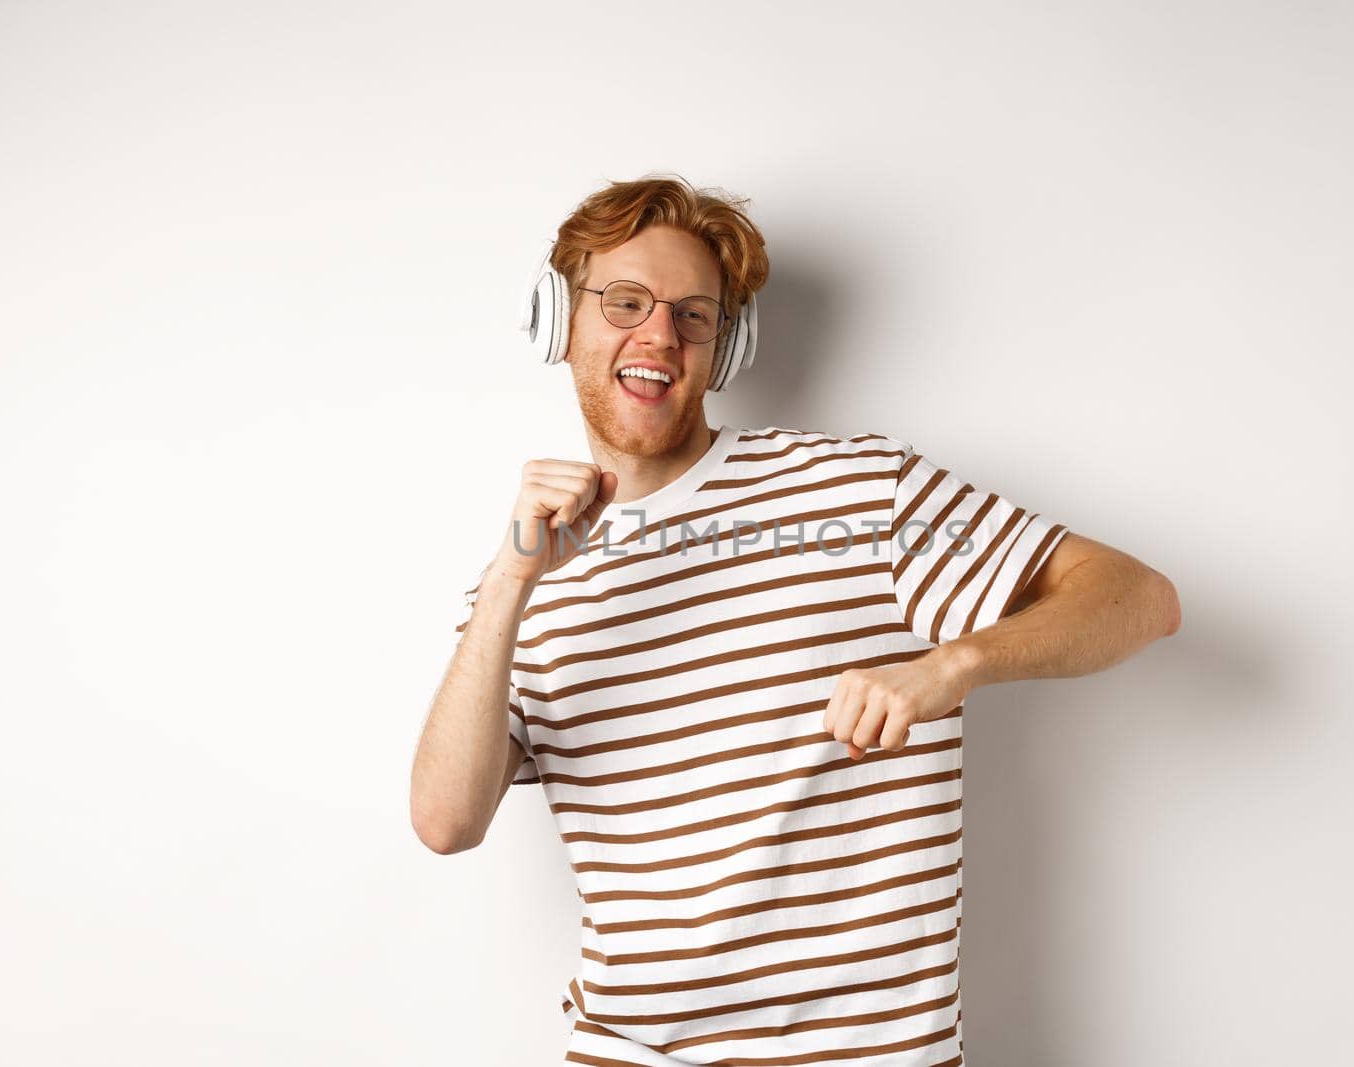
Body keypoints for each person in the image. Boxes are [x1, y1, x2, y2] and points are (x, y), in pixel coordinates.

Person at [410, 174, 1181, 1065]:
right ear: (557, 320)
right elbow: (445, 820)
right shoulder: (521, 580)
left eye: (693, 314)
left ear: (724, 348)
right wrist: (511, 576)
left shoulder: (860, 490)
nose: (658, 334)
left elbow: (1137, 596)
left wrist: (953, 665)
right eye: (624, 301)